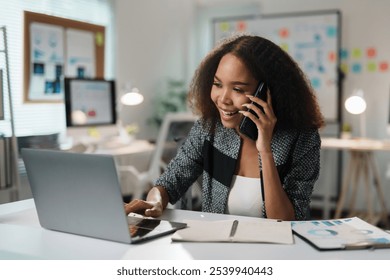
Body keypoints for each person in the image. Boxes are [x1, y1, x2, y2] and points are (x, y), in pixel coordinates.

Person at [125, 34, 324, 221]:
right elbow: (171, 181)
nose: (222, 99)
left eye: (238, 89)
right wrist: (155, 201)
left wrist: (265, 150)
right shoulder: (209, 128)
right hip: (217, 250)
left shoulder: (302, 138)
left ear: (268, 93)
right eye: (217, 84)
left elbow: (287, 221)